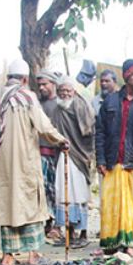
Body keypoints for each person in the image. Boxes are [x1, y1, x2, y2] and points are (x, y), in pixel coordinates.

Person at [0, 60, 67, 265]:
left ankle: (7, 257)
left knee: (6, 204)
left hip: (0, 164)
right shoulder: (27, 97)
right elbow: (43, 126)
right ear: (25, 79)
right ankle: (33, 255)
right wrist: (61, 140)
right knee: (31, 205)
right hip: (25, 162)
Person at [95, 59, 133, 256]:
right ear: (126, 77)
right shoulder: (110, 101)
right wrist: (101, 160)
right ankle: (109, 245)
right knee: (110, 205)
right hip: (112, 162)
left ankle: (130, 244)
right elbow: (100, 132)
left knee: (132, 205)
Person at [53, 76, 95, 249]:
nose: (65, 94)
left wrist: (74, 143)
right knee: (64, 192)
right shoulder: (57, 108)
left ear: (74, 91)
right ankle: (70, 233)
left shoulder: (80, 105)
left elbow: (87, 130)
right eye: (62, 90)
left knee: (79, 193)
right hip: (63, 154)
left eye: (68, 90)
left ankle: (83, 233)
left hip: (79, 155)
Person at [36, 69, 68, 242]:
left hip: (56, 153)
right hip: (39, 152)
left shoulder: (60, 104)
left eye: (45, 84)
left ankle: (58, 225)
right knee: (42, 190)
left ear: (53, 85)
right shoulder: (36, 104)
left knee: (57, 190)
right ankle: (47, 222)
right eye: (39, 84)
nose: (41, 87)